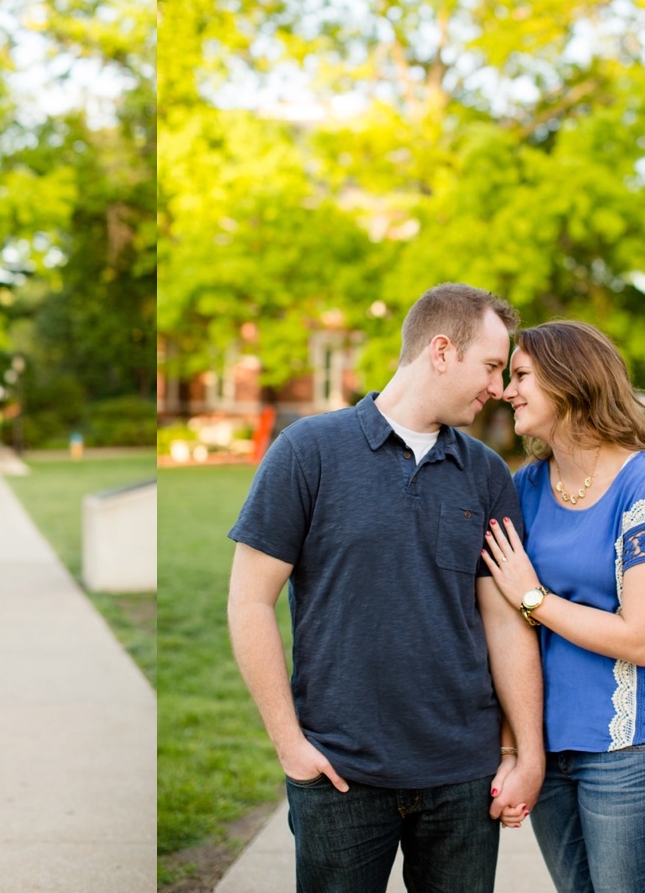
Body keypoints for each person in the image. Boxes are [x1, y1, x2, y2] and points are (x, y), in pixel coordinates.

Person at [227, 283, 545, 893]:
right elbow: (249, 600)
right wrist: (290, 744)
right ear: (442, 351)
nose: (500, 388)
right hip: (341, 775)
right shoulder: (308, 451)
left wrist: (525, 753)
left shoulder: (485, 473)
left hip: (463, 778)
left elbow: (505, 621)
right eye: (490, 366)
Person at [482, 320, 645, 893]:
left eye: (522, 375)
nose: (508, 391)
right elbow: (506, 631)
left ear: (569, 380)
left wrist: (535, 598)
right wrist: (515, 749)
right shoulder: (524, 487)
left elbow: (642, 638)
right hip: (549, 751)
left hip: (633, 751)